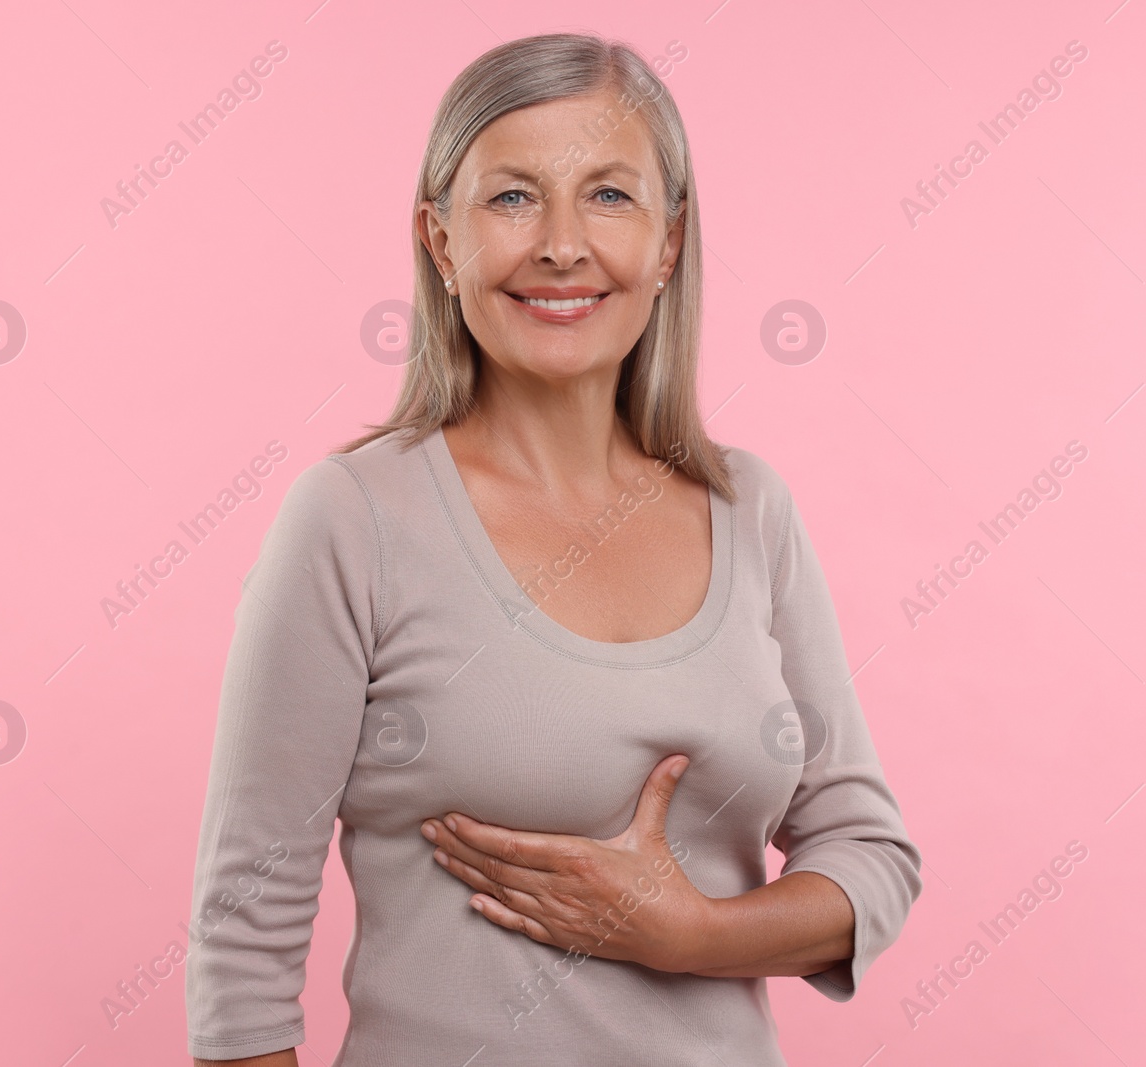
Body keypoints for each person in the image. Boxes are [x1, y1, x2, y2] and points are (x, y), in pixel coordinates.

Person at [186, 31, 921, 1066]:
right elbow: (242, 950)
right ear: (440, 242)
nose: (563, 245)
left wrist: (690, 933)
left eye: (610, 196)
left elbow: (869, 853)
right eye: (513, 196)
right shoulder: (353, 518)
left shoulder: (749, 507)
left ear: (669, 243)